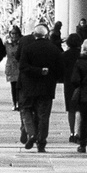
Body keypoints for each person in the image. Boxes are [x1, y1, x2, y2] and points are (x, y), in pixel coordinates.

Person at [18, 22, 60, 152]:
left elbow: (23, 67)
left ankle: (31, 133)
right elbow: (59, 70)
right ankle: (41, 142)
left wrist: (37, 71)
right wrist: (48, 74)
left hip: (29, 86)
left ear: (35, 35)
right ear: (47, 35)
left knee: (26, 110)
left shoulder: (28, 48)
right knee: (43, 116)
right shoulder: (54, 49)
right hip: (46, 88)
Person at [61, 29, 85, 143]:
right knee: (80, 109)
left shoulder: (64, 55)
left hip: (69, 84)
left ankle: (71, 132)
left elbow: (60, 70)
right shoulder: (83, 56)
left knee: (71, 109)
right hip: (82, 84)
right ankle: (78, 132)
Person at [3, 24, 23, 112]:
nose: (14, 35)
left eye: (16, 33)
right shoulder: (7, 43)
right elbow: (2, 52)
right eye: (12, 33)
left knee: (19, 86)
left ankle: (19, 102)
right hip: (11, 66)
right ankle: (14, 103)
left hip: (19, 66)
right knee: (13, 86)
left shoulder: (22, 43)